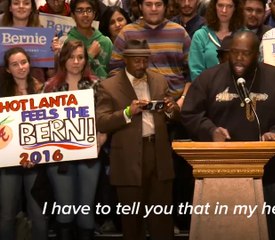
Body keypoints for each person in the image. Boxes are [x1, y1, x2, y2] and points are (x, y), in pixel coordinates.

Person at [181, 30, 275, 240]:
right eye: (235, 52)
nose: (239, 58)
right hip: (219, 175)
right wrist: (210, 130)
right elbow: (189, 113)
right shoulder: (209, 78)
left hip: (268, 176)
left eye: (246, 53)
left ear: (256, 55)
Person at [96, 39, 180, 240]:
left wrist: (171, 109)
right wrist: (128, 111)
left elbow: (176, 115)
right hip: (127, 159)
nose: (142, 65)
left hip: (158, 154)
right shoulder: (108, 86)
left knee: (162, 220)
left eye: (145, 60)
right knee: (132, 222)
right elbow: (101, 122)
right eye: (137, 61)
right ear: (126, 60)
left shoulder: (159, 80)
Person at [42, 40, 105, 240]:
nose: (76, 62)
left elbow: (104, 118)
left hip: (89, 154)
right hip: (60, 157)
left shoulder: (96, 85)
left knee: (86, 209)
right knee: (65, 208)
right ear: (63, 59)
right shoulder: (50, 87)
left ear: (86, 60)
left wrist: (101, 139)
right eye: (71, 57)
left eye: (80, 57)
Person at [0, 47, 47, 240]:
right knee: (7, 213)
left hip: (35, 160)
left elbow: (48, 126)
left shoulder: (42, 89)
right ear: (8, 70)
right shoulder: (1, 92)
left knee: (38, 214)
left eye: (24, 62)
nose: (20, 67)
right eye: (14, 64)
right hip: (7, 162)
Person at [109, 0, 191, 107]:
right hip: (137, 106)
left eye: (158, 4)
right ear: (140, 6)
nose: (153, 9)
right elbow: (114, 71)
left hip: (176, 105)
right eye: (148, 4)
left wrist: (183, 99)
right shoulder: (126, 33)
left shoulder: (180, 32)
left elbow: (192, 72)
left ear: (165, 7)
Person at [189, 0, 244, 80]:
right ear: (214, 7)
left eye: (229, 6)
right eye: (220, 5)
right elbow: (196, 72)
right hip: (207, 89)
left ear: (235, 8)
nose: (224, 10)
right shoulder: (200, 36)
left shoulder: (245, 36)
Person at [65, 0, 113, 80]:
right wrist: (90, 55)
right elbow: (68, 74)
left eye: (89, 10)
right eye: (80, 11)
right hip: (79, 90)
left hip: (104, 89)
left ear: (94, 14)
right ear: (73, 15)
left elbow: (114, 72)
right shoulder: (67, 42)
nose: (85, 14)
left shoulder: (105, 42)